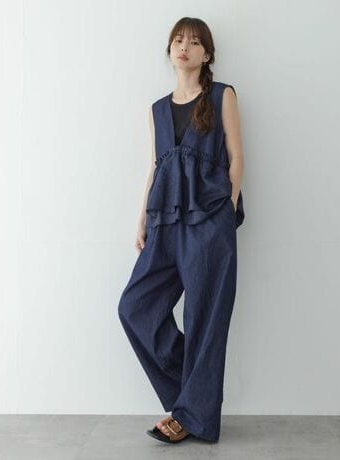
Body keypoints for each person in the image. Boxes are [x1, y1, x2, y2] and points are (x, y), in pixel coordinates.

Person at [117, 16, 245, 444]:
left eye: (193, 42)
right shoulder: (157, 109)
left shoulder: (222, 95)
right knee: (135, 308)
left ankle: (192, 414)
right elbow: (156, 166)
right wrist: (142, 218)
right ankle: (194, 396)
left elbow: (237, 157)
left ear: (207, 54)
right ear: (170, 51)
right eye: (177, 41)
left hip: (209, 220)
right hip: (164, 222)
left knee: (204, 316)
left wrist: (227, 207)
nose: (184, 47)